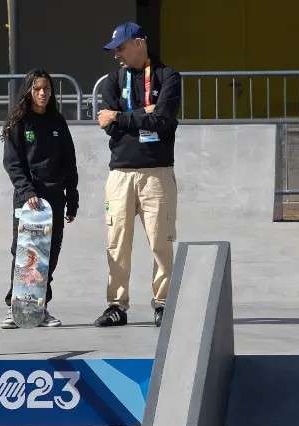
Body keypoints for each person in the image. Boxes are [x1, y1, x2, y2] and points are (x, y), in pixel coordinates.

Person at [94, 22, 181, 328]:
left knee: (160, 241)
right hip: (120, 174)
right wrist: (143, 117)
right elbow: (109, 124)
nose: (116, 54)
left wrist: (121, 116)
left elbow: (163, 121)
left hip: (157, 172)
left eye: (121, 47)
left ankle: (163, 302)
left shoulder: (167, 76)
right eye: (114, 49)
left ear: (139, 43)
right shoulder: (112, 81)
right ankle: (116, 304)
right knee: (117, 241)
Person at [1, 68, 80, 329]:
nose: (42, 93)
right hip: (29, 199)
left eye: (46, 89)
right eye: (37, 89)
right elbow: (13, 163)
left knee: (49, 254)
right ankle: (16, 307)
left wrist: (72, 197)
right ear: (29, 91)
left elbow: (70, 162)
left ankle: (40, 307)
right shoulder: (19, 123)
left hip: (55, 197)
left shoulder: (58, 122)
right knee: (24, 252)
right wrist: (27, 192)